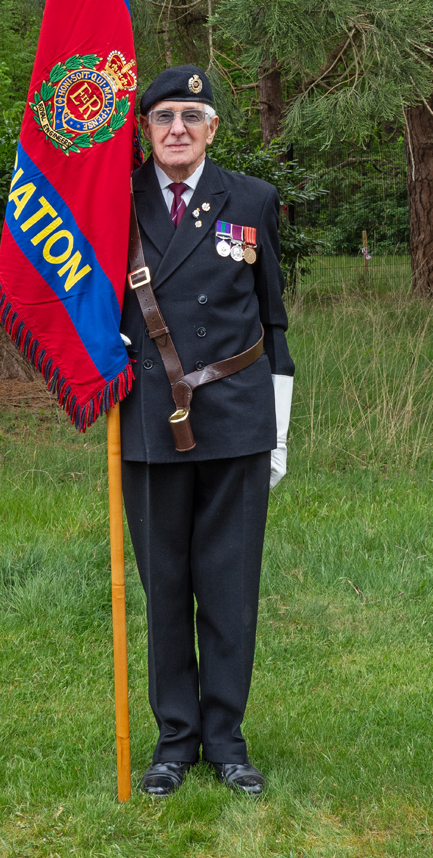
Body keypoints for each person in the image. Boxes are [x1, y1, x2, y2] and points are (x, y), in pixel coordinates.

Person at [119, 63, 294, 797]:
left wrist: (279, 430)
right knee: (165, 586)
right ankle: (172, 741)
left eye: (192, 116)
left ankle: (225, 739)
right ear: (145, 130)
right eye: (164, 118)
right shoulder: (111, 202)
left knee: (228, 586)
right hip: (151, 421)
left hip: (237, 419)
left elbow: (273, 319)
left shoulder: (251, 199)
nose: (178, 130)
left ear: (213, 127)